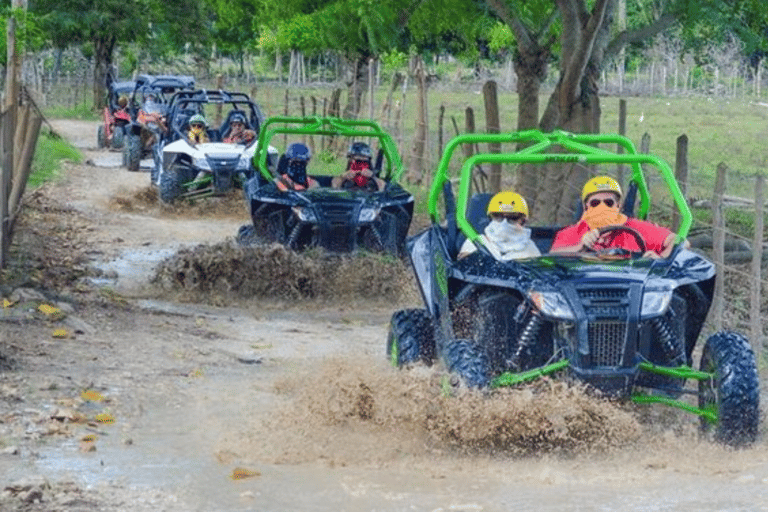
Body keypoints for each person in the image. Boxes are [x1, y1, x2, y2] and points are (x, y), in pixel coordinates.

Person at [549, 176, 681, 258]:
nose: (602, 207)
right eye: (595, 203)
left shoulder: (636, 227)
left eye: (608, 203)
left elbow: (679, 241)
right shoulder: (572, 233)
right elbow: (550, 258)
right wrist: (580, 246)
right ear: (585, 207)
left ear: (617, 205)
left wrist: (662, 259)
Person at [458, 191, 541, 261]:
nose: (504, 222)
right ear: (490, 218)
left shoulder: (530, 248)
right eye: (498, 216)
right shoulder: (476, 242)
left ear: (523, 221)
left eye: (512, 217)